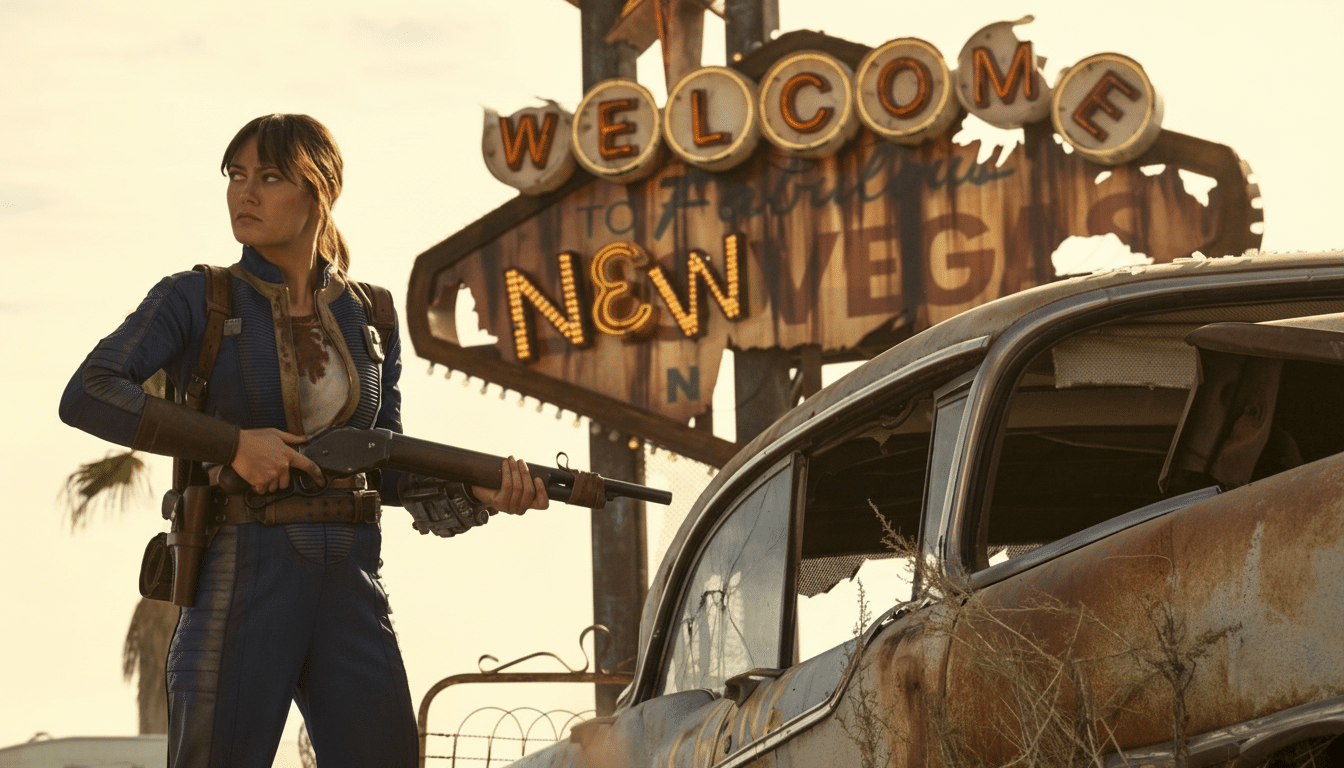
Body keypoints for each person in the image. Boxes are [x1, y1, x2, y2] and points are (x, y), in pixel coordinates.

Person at [59, 113, 548, 767]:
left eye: (268, 176)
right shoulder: (195, 298)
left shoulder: (368, 313)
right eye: (236, 175)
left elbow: (381, 457)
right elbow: (87, 392)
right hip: (237, 573)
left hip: (350, 579)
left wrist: (475, 485)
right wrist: (232, 444)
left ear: (319, 189)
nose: (245, 193)